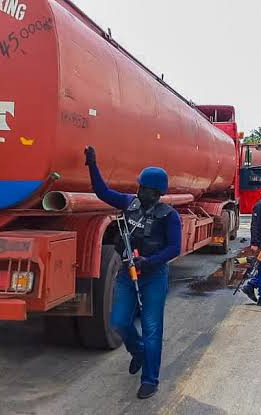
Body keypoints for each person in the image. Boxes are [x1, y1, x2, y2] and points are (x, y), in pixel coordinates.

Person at [85, 146, 182, 400]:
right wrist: (92, 164)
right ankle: (137, 351)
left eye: (144, 188)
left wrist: (149, 262)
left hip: (153, 277)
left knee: (152, 329)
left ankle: (150, 379)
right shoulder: (130, 203)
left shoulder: (169, 216)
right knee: (118, 321)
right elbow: (102, 192)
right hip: (127, 275)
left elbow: (174, 247)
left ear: (156, 192)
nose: (139, 191)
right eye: (139, 187)